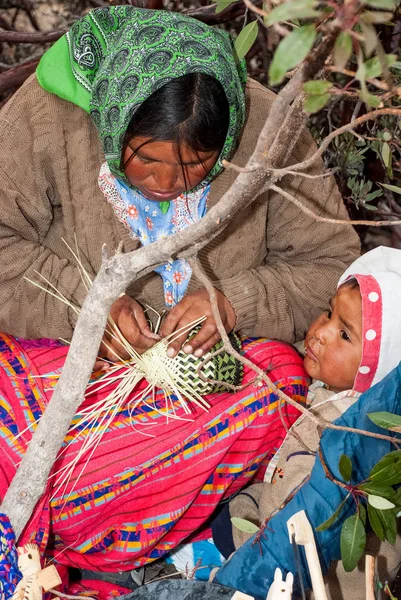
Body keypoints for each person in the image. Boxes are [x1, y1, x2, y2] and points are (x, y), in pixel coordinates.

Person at [0, 5, 359, 362]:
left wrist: (234, 303)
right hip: (63, 355)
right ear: (113, 127)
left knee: (281, 381)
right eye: (146, 159)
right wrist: (85, 307)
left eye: (197, 163)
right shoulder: (45, 117)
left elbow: (329, 267)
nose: (167, 182)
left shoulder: (270, 133)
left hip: (220, 367)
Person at [212, 246, 401, 600]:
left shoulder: (355, 432)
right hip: (277, 516)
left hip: (316, 576)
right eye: (328, 313)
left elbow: (308, 511)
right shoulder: (329, 388)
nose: (321, 332)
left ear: (381, 366)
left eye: (345, 335)